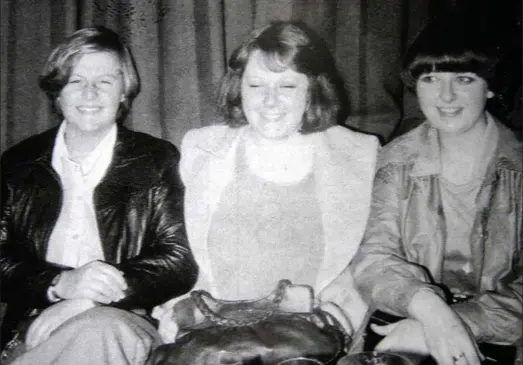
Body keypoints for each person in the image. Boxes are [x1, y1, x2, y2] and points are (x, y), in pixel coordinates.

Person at [153, 21, 379, 342]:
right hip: (216, 331)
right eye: (256, 86)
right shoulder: (201, 148)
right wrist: (178, 306)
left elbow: (365, 263)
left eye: (287, 87)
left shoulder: (359, 154)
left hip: (315, 333)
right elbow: (186, 256)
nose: (269, 102)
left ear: (312, 90)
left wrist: (336, 322)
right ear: (238, 88)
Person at [0, 27, 198, 365]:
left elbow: (176, 260)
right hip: (35, 325)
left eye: (104, 81)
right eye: (76, 81)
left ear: (124, 92)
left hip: (127, 321)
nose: (90, 93)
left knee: (99, 330)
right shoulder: (18, 163)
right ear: (57, 92)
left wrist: (88, 299)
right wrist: (60, 283)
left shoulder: (154, 159)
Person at [351, 13, 522, 365]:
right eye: (430, 78)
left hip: (503, 330)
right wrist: (430, 310)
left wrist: (460, 323)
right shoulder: (396, 159)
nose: (445, 96)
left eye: (463, 78)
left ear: (490, 86)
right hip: (406, 314)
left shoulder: (518, 166)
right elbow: (374, 259)